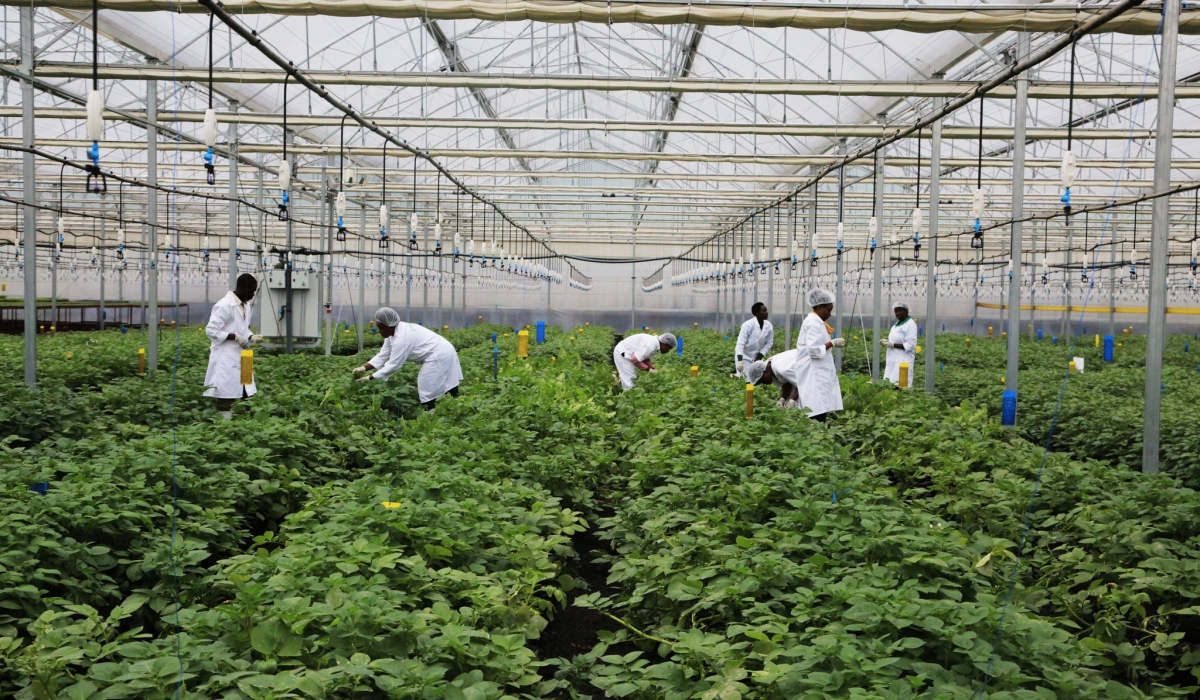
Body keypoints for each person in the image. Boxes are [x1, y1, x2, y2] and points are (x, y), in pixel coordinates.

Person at [352, 307, 464, 412]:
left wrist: (370, 378)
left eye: (381, 328)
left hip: (439, 353)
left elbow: (394, 365)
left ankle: (430, 413)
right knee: (447, 380)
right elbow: (383, 355)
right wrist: (363, 368)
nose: (379, 331)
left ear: (389, 325)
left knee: (427, 383)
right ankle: (456, 403)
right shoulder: (393, 333)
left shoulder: (402, 338)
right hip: (442, 350)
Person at [204, 273, 263, 420]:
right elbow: (211, 330)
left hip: (244, 354)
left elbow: (242, 328)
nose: (252, 295)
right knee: (226, 393)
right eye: (251, 291)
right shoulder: (224, 305)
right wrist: (234, 337)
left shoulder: (246, 305)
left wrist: (250, 336)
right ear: (242, 288)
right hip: (226, 356)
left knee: (248, 390)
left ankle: (248, 423)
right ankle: (225, 426)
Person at [789, 288, 846, 421]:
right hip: (813, 372)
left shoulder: (817, 322)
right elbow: (813, 350)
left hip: (818, 371)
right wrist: (832, 343)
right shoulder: (813, 323)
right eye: (828, 310)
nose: (830, 314)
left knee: (820, 405)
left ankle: (819, 434)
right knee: (816, 407)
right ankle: (817, 435)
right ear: (820, 307)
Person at [881, 301, 918, 388]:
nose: (897, 313)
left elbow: (911, 344)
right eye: (895, 311)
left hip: (903, 361)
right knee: (890, 385)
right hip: (892, 360)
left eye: (899, 311)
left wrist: (893, 345)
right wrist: (887, 342)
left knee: (901, 387)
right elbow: (895, 339)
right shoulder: (896, 325)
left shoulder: (910, 324)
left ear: (906, 311)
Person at [734, 302, 774, 377]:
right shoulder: (748, 325)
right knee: (745, 380)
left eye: (766, 310)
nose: (767, 312)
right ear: (757, 313)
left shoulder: (769, 326)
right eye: (764, 311)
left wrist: (758, 357)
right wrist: (740, 360)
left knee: (758, 379)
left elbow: (769, 343)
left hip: (757, 357)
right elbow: (740, 343)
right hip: (744, 357)